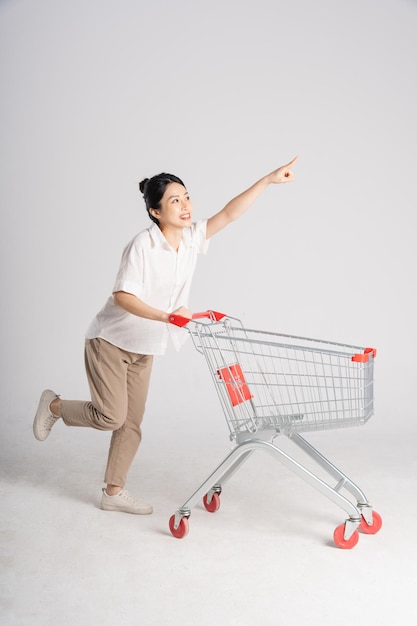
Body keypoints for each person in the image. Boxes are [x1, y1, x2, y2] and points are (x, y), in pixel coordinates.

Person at [33, 156, 299, 514]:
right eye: (175, 200)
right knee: (110, 416)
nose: (185, 206)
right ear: (156, 212)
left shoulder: (191, 240)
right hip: (109, 341)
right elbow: (122, 297)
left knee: (132, 423)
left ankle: (112, 492)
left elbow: (229, 214)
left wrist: (267, 180)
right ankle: (53, 405)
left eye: (186, 197)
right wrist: (166, 316)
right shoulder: (142, 246)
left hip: (145, 345)